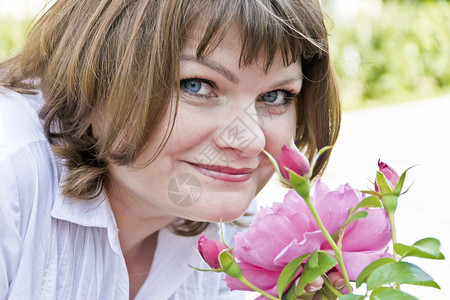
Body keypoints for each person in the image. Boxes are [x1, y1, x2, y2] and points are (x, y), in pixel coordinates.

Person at [0, 0, 341, 299]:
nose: (250, 142)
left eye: (275, 96)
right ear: (96, 75)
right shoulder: (10, 174)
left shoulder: (234, 236)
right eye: (198, 86)